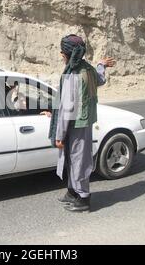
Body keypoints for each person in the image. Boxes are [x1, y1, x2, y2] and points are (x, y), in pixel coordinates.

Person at [42, 34, 115, 212]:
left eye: (62, 52)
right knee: (71, 158)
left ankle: (83, 198)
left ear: (66, 54)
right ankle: (72, 192)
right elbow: (101, 79)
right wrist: (101, 65)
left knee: (79, 160)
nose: (61, 55)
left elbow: (67, 110)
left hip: (76, 125)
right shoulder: (87, 69)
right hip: (82, 122)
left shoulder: (73, 75)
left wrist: (59, 135)